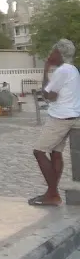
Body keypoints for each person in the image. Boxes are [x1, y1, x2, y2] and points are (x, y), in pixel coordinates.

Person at [29, 39, 80, 206]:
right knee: (55, 153)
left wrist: (45, 70)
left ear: (60, 53)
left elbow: (49, 95)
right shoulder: (72, 70)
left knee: (39, 151)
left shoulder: (62, 71)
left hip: (60, 118)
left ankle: (52, 194)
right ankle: (51, 193)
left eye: (53, 52)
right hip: (71, 116)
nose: (50, 55)